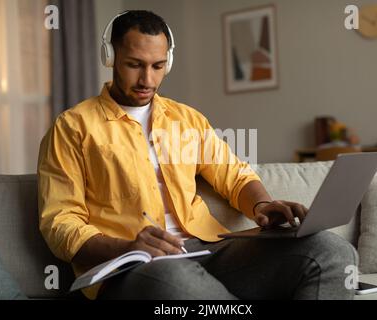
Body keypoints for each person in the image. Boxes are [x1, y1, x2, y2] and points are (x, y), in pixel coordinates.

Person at [37, 10, 357, 300]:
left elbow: (234, 174)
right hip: (129, 267)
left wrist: (262, 203)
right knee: (176, 278)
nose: (147, 79)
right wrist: (128, 248)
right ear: (110, 57)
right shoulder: (73, 127)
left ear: (168, 63)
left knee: (330, 251)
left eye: (157, 66)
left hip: (204, 252)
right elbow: (60, 222)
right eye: (134, 65)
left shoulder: (186, 119)